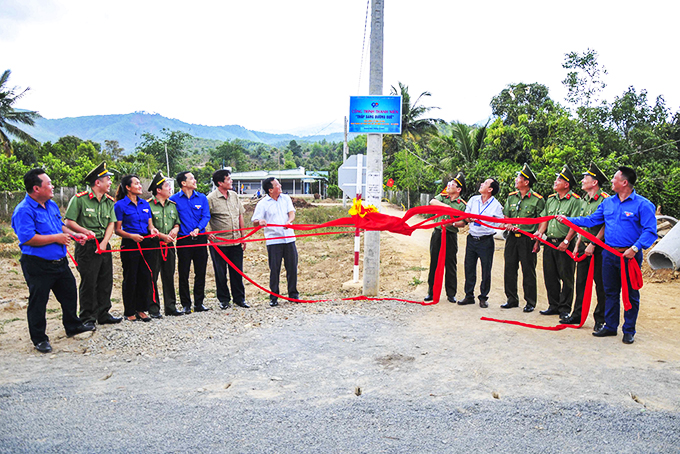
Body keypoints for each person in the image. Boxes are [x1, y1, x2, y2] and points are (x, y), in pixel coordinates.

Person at [563, 166, 657, 344]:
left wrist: (635, 248)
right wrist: (566, 219)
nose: (612, 181)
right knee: (610, 291)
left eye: (615, 178)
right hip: (609, 254)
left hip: (629, 257)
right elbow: (591, 220)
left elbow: (650, 231)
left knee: (630, 294)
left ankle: (629, 330)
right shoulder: (608, 203)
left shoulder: (643, 204)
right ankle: (611, 326)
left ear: (624, 182)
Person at [11, 169, 95, 353]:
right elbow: (27, 238)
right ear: (36, 188)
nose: (52, 186)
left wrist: (74, 235)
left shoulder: (51, 205)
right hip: (37, 263)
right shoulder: (23, 210)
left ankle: (73, 326)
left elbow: (61, 226)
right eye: (48, 183)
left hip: (60, 261)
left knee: (69, 293)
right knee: (39, 301)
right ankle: (39, 339)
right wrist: (56, 238)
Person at [64, 162, 122, 328]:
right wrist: (85, 231)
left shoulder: (109, 201)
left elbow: (112, 223)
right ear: (98, 182)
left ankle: (103, 313)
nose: (110, 182)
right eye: (107, 179)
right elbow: (69, 222)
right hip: (87, 246)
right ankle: (87, 316)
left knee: (106, 280)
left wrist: (104, 243)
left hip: (103, 245)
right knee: (89, 281)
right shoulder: (79, 199)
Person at [561, 163, 609, 329]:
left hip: (599, 248)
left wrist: (593, 245)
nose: (582, 180)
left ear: (594, 182)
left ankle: (600, 319)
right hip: (584, 247)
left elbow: (604, 226)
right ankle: (577, 314)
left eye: (585, 178)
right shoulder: (584, 201)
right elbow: (582, 225)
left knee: (600, 284)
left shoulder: (605, 199)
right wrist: (578, 244)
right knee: (580, 282)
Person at [534, 165, 582, 320]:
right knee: (550, 275)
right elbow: (545, 220)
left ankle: (565, 308)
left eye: (559, 180)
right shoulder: (550, 199)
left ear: (566, 184)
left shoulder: (575, 201)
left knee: (566, 276)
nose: (555, 182)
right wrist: (540, 233)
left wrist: (567, 241)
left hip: (565, 243)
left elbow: (574, 224)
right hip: (549, 242)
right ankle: (553, 305)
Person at [500, 163, 545, 313]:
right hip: (512, 238)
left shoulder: (537, 199)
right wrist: (509, 224)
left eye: (519, 177)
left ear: (526, 182)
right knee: (510, 268)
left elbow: (541, 221)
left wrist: (537, 241)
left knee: (528, 270)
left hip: (528, 238)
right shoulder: (512, 197)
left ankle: (530, 302)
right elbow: (507, 215)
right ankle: (511, 299)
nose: (516, 179)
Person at [114, 175, 159, 322]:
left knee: (145, 277)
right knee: (131, 277)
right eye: (137, 183)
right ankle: (129, 310)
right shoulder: (120, 205)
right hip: (130, 243)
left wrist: (153, 230)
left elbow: (150, 224)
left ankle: (141, 309)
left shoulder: (145, 204)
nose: (140, 186)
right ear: (128, 187)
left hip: (146, 242)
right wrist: (131, 236)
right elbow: (117, 230)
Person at [252, 177, 299, 307]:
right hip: (274, 241)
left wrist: (289, 221)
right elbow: (255, 221)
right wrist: (259, 222)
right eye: (277, 184)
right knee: (275, 269)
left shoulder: (286, 198)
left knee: (292, 267)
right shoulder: (263, 204)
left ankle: (293, 295)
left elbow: (291, 213)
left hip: (289, 239)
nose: (280, 186)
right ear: (270, 189)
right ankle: (274, 296)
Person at [457, 178, 503, 308]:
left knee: (486, 269)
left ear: (490, 189)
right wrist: (468, 218)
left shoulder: (496, 205)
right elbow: (465, 216)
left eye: (485, 184)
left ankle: (483, 297)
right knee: (469, 267)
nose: (481, 184)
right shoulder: (473, 200)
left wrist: (508, 225)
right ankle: (469, 295)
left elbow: (500, 223)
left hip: (486, 240)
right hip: (472, 239)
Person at [170, 171, 211, 314]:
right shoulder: (173, 200)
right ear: (183, 183)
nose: (195, 180)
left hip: (200, 238)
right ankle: (186, 304)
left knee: (200, 272)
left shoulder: (202, 198)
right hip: (184, 240)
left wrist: (198, 228)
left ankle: (199, 303)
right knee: (184, 272)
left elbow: (206, 215)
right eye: (192, 178)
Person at [207, 169, 249, 310]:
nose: (231, 181)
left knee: (237, 271)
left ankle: (239, 299)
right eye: (228, 179)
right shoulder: (211, 198)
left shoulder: (234, 196)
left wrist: (243, 237)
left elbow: (240, 216)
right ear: (220, 182)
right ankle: (224, 299)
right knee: (221, 272)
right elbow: (206, 218)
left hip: (235, 241)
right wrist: (208, 233)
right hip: (219, 243)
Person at [424, 173, 466, 303]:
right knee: (434, 262)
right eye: (449, 184)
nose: (449, 186)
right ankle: (431, 292)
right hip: (437, 234)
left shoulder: (462, 204)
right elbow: (432, 201)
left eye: (452, 185)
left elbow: (463, 223)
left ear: (458, 189)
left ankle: (451, 293)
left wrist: (452, 223)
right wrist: (447, 207)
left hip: (450, 235)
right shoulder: (442, 198)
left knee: (450, 264)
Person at [147, 172, 183, 317]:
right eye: (167, 186)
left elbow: (177, 222)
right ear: (158, 190)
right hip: (154, 246)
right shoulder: (148, 205)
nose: (169, 188)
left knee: (169, 276)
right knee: (152, 277)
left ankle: (171, 307)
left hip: (169, 246)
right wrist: (162, 236)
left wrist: (175, 229)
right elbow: (147, 227)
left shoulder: (172, 205)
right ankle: (154, 308)